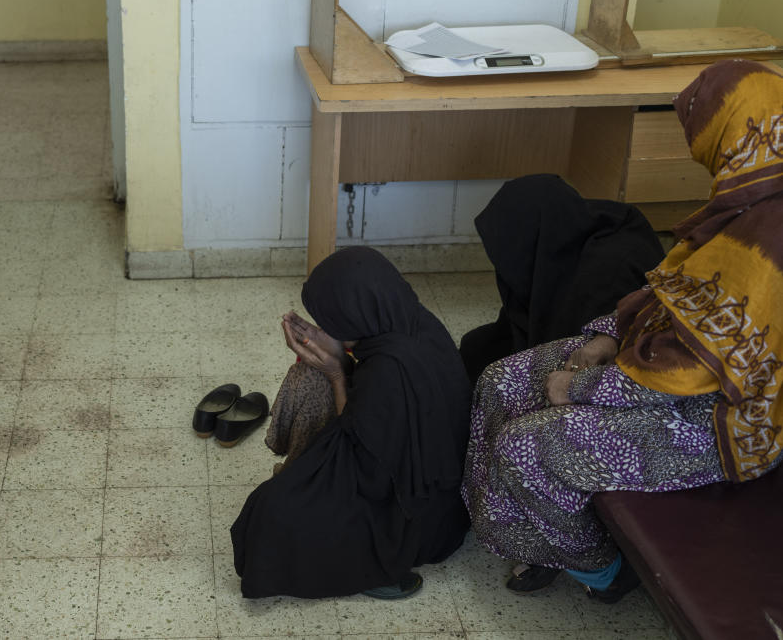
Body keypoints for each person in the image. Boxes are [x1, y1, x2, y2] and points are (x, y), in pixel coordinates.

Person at [462, 59, 783, 603]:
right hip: (653, 368)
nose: (699, 148)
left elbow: (697, 370)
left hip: (720, 420)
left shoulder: (771, 237)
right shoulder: (742, 201)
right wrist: (605, 336)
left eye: (704, 132)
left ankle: (601, 568)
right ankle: (541, 538)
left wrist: (577, 387)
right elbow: (668, 291)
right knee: (501, 380)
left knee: (526, 446)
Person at [231, 246, 471, 600]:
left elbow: (366, 467)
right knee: (307, 377)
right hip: (434, 492)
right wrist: (336, 351)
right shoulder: (411, 320)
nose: (327, 326)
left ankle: (371, 567)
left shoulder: (390, 370)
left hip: (414, 521)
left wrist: (336, 373)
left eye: (333, 319)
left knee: (269, 514)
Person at [458, 174, 665, 382]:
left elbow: (574, 362)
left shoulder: (602, 278)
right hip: (564, 324)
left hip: (603, 370)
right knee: (475, 348)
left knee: (494, 377)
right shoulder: (571, 227)